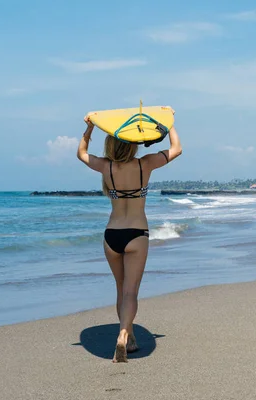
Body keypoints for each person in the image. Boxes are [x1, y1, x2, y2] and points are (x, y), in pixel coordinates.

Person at [76, 109, 183, 363]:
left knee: (120, 289)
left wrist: (90, 128)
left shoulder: (106, 167)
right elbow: (177, 148)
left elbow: (80, 154)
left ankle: (130, 337)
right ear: (132, 144)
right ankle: (123, 335)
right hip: (137, 235)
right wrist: (169, 122)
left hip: (111, 235)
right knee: (130, 293)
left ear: (111, 143)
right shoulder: (144, 164)